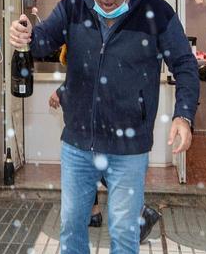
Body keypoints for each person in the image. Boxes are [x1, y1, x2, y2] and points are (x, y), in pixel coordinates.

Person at [10, 0, 198, 254]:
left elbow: (185, 64)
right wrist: (25, 34)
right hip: (79, 142)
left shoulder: (156, 13)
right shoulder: (75, 8)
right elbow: (43, 40)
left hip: (129, 148)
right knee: (72, 223)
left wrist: (184, 115)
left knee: (125, 233)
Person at [48, 87, 162, 242]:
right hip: (92, 112)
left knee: (95, 160)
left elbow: (88, 73)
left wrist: (62, 90)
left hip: (102, 112)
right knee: (90, 158)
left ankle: (138, 212)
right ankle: (95, 213)